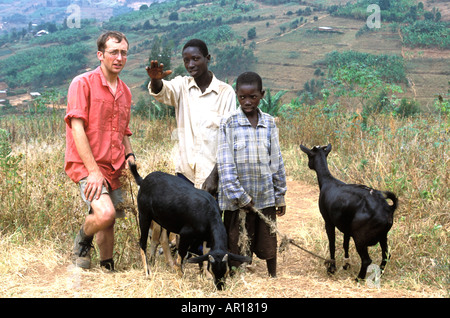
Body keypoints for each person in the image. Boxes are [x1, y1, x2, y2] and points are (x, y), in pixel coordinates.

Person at [64, 31, 135, 271]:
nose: (119, 57)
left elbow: (124, 131)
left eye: (123, 52)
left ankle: (107, 266)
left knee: (109, 220)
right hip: (87, 164)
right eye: (113, 52)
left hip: (114, 163)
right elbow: (77, 129)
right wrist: (93, 172)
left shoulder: (126, 91)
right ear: (100, 55)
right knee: (105, 213)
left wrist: (130, 157)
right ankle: (83, 241)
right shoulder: (82, 83)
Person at [217, 71, 287, 278]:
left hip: (264, 195)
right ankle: (236, 274)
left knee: (268, 235)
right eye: (242, 97)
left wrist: (280, 194)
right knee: (237, 239)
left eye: (253, 97)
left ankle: (272, 274)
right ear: (236, 95)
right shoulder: (228, 123)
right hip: (236, 200)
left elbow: (276, 160)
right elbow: (225, 163)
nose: (247, 102)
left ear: (262, 95)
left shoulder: (269, 123)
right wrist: (240, 196)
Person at [146, 39, 236, 189]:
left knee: (213, 212)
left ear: (208, 58)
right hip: (185, 175)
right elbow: (162, 91)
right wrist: (155, 80)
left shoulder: (225, 93)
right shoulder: (182, 86)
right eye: (186, 60)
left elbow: (229, 139)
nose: (190, 65)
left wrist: (214, 177)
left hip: (214, 176)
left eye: (195, 59)